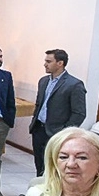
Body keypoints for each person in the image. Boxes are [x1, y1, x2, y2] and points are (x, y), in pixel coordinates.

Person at [29, 49, 87, 177]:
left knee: (53, 167)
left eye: (49, 61)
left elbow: (79, 113)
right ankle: (40, 188)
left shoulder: (74, 84)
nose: (45, 64)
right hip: (39, 129)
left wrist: (65, 132)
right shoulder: (43, 81)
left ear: (60, 63)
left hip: (57, 132)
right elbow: (39, 104)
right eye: (45, 61)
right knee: (39, 164)